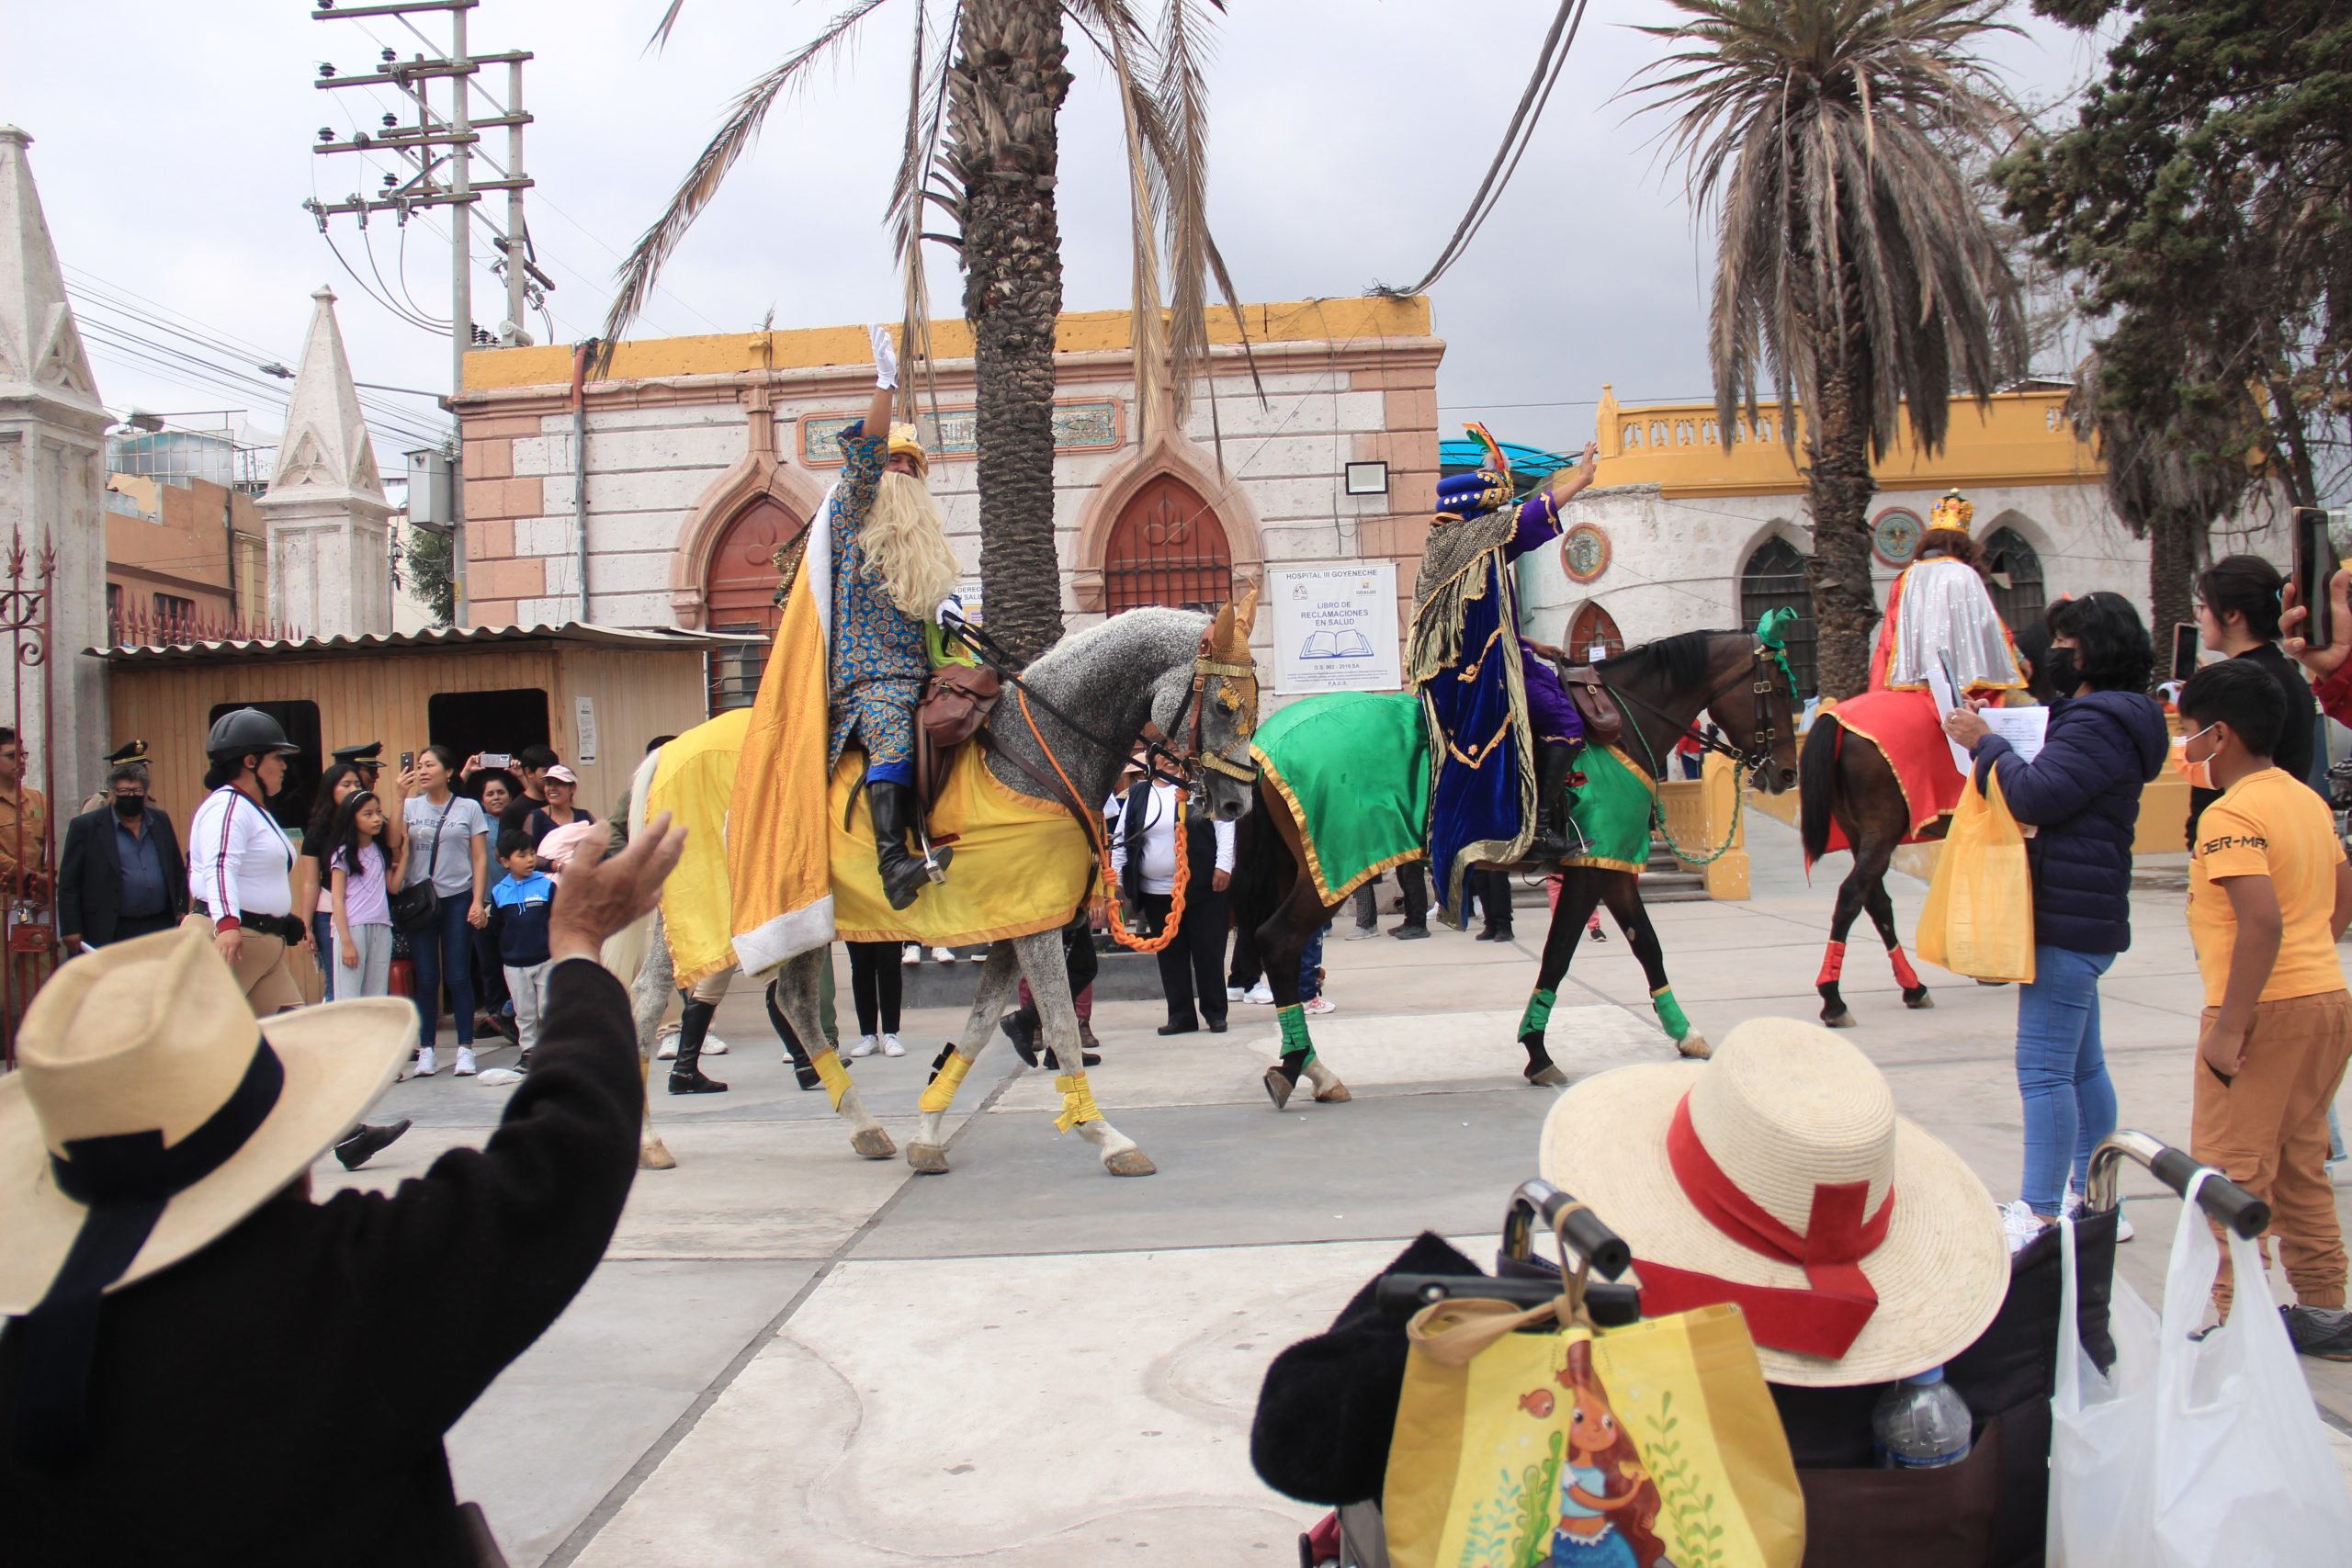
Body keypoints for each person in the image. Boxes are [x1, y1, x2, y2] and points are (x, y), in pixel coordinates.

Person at [0, 815, 688, 1559]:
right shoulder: (340, 1287)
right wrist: (578, 946)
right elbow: (563, 1159)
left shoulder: (29, 1368)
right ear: (288, 1142)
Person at [1944, 592, 2167, 1241]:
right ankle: (2098, 1202)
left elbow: (2038, 793)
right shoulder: (2120, 716)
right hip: (2085, 910)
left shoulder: (2097, 721)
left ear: (2098, 650)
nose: (2056, 654)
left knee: (2044, 1070)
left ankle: (2040, 1210)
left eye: (2068, 644)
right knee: (2082, 1066)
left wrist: (1987, 744)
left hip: (2067, 916)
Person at [2177, 659, 2352, 1354]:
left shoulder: (2231, 814)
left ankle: (2224, 1318)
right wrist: (2313, 956)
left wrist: (2230, 1025)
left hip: (2261, 1010)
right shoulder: (2304, 799)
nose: (2186, 748)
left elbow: (2260, 921)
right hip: (2325, 998)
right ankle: (2325, 1307)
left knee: (2229, 1167)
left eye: (2190, 733)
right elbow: (2341, 894)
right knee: (2301, 1159)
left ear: (2221, 736)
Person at [187, 708, 407, 1171]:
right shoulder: (227, 805)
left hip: (258, 942)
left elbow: (251, 875)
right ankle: (182, 1143)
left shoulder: (253, 809)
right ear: (250, 761)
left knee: (297, 1043)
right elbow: (219, 866)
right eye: (277, 758)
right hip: (232, 939)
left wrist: (281, 919)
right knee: (206, 1049)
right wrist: (227, 924)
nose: (285, 766)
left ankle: (345, 1135)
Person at [1410, 435, 1599, 919]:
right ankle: (1539, 829)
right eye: (1496, 503)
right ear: (1478, 511)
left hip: (1491, 659)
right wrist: (1578, 479)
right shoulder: (1472, 541)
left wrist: (1532, 644)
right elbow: (1531, 519)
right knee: (1564, 719)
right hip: (1481, 678)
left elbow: (1480, 617)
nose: (1503, 516)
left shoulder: (1451, 545)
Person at [823, 329, 966, 909]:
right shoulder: (850, 513)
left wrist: (948, 617)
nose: (900, 473)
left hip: (921, 673)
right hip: (869, 682)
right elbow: (864, 460)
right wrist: (885, 387)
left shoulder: (925, 547)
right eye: (893, 463)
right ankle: (891, 863)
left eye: (911, 465)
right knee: (891, 722)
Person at [2186, 554, 2317, 843]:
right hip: (2288, 832)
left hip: (2237, 840)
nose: (2200, 617)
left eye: (2204, 607)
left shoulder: (2236, 685)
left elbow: (2213, 772)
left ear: (2232, 614)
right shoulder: (2290, 674)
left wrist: (2201, 836)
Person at [1113, 765, 1237, 1035]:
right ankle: (1180, 1015)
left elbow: (1224, 825)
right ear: (1153, 759)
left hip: (1202, 886)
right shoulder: (1137, 794)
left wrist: (1224, 864)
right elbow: (1123, 838)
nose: (1169, 760)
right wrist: (1118, 884)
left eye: (1174, 751)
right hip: (1158, 892)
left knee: (1208, 952)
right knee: (1170, 955)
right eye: (1163, 752)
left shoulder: (1199, 786)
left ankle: (1215, 1012)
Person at [1869, 490, 2025, 697]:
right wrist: (2020, 659)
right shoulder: (1965, 575)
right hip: (1966, 688)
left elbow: (1890, 637)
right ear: (1965, 548)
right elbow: (1989, 628)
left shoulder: (1906, 578)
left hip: (1913, 685)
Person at [399, 744, 491, 1078]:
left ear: (449, 772)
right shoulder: (409, 806)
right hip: (420, 900)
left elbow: (479, 858)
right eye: (419, 765)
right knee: (426, 977)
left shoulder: (468, 808)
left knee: (458, 974)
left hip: (456, 897)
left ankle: (465, 1048)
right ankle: (427, 1050)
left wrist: (478, 900)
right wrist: (398, 798)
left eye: (429, 766)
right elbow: (394, 845)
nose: (422, 771)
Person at [57, 763, 186, 953]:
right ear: (110, 795)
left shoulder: (160, 821)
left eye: (137, 791)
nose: (131, 797)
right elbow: (69, 883)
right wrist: (71, 928)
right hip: (110, 928)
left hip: (159, 925)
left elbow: (176, 869)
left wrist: (182, 910)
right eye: (124, 791)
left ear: (145, 794)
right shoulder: (86, 827)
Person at [487, 830, 556, 1061]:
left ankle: (551, 1049)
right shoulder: (499, 892)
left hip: (546, 959)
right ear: (505, 861)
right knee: (524, 1010)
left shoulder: (546, 886)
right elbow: (496, 926)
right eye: (522, 855)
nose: (529, 859)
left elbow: (558, 919)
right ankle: (529, 1050)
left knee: (548, 1007)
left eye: (532, 853)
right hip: (515, 964)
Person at [328, 790, 401, 1001]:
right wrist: (346, 942)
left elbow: (393, 887)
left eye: (378, 812)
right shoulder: (342, 853)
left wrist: (405, 857)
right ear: (352, 819)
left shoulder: (381, 850)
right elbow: (337, 900)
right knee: (349, 997)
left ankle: (373, 1035)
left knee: (376, 996)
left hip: (381, 927)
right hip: (353, 928)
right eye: (368, 814)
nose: (377, 819)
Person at [0, 726, 50, 908]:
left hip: (35, 899)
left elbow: (50, 846)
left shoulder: (37, 800)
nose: (21, 761)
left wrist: (47, 878)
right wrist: (27, 874)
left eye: (23, 755)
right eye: (12, 756)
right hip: (4, 897)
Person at [844, 940, 908, 1059]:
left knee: (890, 964)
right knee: (860, 966)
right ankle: (868, 1035)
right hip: (859, 922)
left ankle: (890, 1033)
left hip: (887, 921)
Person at [523, 763, 594, 848]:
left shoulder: (584, 816)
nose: (552, 788)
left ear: (572, 788)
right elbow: (527, 853)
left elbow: (600, 849)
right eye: (549, 784)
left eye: (559, 784)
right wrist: (550, 862)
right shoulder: (537, 817)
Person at [75, 739, 151, 817]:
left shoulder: (148, 801)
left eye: (144, 768)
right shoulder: (99, 802)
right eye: (136, 770)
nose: (144, 772)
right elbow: (86, 825)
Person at [496, 745, 559, 836]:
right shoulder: (513, 811)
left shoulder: (559, 801)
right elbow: (506, 848)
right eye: (546, 771)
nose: (552, 776)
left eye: (554, 771)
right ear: (529, 772)